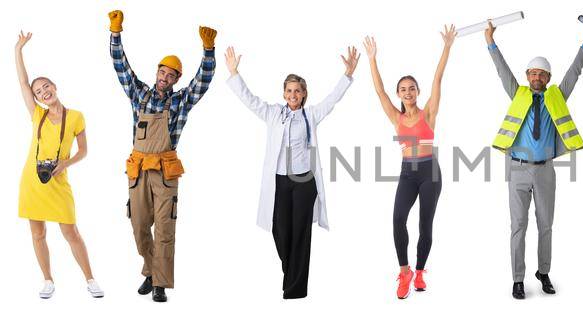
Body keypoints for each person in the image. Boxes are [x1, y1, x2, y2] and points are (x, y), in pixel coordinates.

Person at [226, 44, 359, 300]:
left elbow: (333, 98)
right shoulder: (274, 114)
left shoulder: (311, 115)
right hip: (279, 181)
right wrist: (234, 73)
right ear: (284, 93)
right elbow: (249, 99)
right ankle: (291, 272)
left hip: (304, 181)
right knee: (280, 230)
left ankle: (296, 289)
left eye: (297, 90)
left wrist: (348, 75)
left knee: (301, 233)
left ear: (304, 93)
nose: (293, 94)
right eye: (289, 90)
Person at [482, 17, 583, 300]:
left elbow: (575, 72)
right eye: (533, 73)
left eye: (542, 75)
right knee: (518, 226)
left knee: (545, 224)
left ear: (548, 78)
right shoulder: (517, 94)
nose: (537, 78)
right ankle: (518, 279)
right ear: (527, 76)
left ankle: (543, 272)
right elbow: (501, 71)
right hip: (518, 170)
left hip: (545, 170)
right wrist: (490, 42)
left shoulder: (557, 97)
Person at [106, 10, 217, 303]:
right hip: (138, 170)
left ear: (176, 79)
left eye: (171, 75)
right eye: (162, 72)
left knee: (165, 229)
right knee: (139, 226)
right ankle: (150, 270)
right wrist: (115, 33)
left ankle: (160, 284)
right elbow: (121, 67)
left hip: (166, 174)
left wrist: (208, 52)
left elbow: (202, 81)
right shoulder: (138, 93)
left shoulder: (181, 102)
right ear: (156, 72)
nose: (165, 77)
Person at [361, 25, 456, 300]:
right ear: (399, 94)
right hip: (407, 174)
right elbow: (379, 92)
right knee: (397, 219)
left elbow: (438, 79)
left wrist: (447, 47)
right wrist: (372, 59)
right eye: (402, 89)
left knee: (425, 226)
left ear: (417, 91)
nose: (407, 92)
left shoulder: (429, 113)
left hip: (429, 172)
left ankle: (420, 272)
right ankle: (404, 272)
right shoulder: (396, 117)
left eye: (411, 88)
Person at [14, 31, 101, 300]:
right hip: (33, 181)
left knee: (71, 231)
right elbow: (22, 81)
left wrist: (66, 163)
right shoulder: (37, 114)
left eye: (46, 87)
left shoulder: (76, 117)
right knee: (38, 233)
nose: (43, 92)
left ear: (55, 86)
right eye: (38, 91)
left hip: (58, 181)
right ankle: (48, 280)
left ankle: (90, 279)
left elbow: (84, 151)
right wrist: (19, 49)